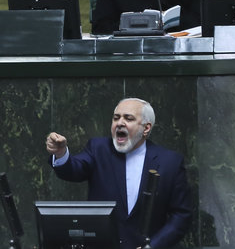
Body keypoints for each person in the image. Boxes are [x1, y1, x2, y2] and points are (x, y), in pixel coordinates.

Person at [46, 98, 192, 249]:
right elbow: (72, 170)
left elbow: (181, 216)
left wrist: (153, 246)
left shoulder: (170, 162)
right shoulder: (98, 149)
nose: (120, 123)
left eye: (128, 118)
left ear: (146, 128)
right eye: (116, 118)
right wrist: (61, 153)